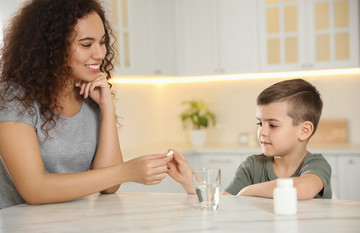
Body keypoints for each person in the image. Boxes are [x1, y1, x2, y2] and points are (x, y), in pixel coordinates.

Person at [0, 0, 173, 209]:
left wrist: (107, 108)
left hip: (71, 223)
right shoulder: (14, 97)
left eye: (102, 42)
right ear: (51, 48)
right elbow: (35, 189)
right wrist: (127, 171)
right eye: (86, 44)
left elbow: (110, 187)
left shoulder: (90, 97)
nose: (100, 53)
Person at [167, 79, 332, 199]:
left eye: (273, 125)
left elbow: (302, 189)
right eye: (260, 123)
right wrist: (190, 183)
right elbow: (224, 204)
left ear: (304, 131)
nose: (262, 132)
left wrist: (248, 191)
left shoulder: (316, 165)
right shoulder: (251, 166)